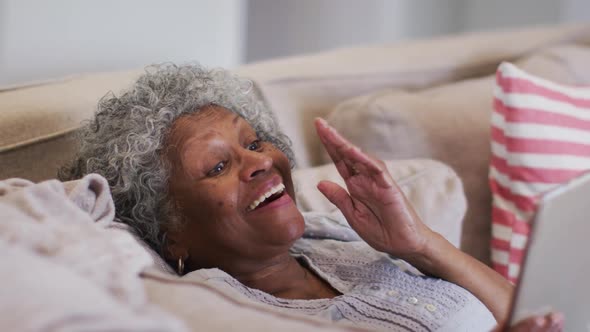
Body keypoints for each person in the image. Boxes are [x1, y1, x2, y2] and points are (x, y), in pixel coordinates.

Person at [60, 64, 563, 332]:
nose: (258, 161)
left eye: (254, 141)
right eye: (218, 166)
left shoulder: (332, 240)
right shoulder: (221, 311)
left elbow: (519, 313)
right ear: (169, 230)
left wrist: (419, 243)